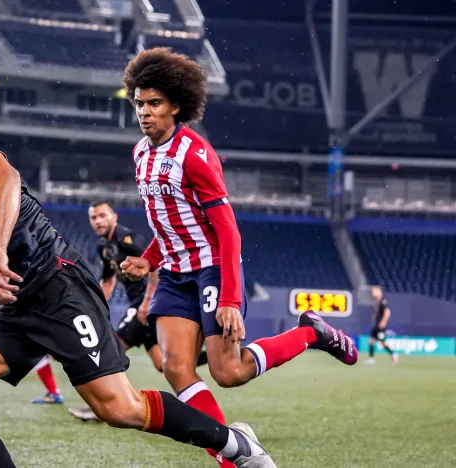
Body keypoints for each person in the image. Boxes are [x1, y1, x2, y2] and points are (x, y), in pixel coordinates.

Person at [0, 79, 275, 468]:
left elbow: (4, 178)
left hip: (56, 284)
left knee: (119, 408)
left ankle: (233, 444)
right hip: (12, 302)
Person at [119, 49, 358, 466]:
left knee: (228, 373)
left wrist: (229, 298)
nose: (144, 111)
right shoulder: (141, 153)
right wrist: (150, 257)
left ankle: (311, 333)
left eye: (154, 103)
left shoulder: (194, 154)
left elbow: (227, 229)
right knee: (176, 369)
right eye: (139, 103)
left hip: (212, 269)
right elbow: (168, 218)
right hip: (175, 275)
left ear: (176, 105)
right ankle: (233, 457)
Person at [68, 200, 208, 422]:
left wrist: (147, 302)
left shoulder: (127, 239)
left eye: (102, 215)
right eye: (93, 218)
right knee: (162, 363)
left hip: (146, 305)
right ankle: (213, 356)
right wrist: (93, 304)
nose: (98, 221)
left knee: (108, 350)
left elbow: (155, 265)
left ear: (114, 216)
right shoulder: (103, 246)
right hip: (142, 308)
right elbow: (108, 280)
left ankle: (106, 407)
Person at [364, 286, 398, 365]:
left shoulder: (383, 302)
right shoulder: (376, 302)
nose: (373, 293)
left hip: (380, 326)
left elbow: (387, 312)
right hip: (375, 325)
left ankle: (393, 354)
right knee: (371, 341)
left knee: (382, 343)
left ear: (379, 292)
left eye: (374, 291)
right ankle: (371, 359)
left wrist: (383, 322)